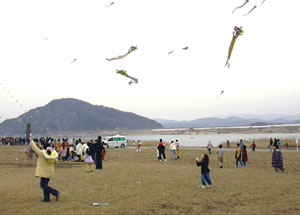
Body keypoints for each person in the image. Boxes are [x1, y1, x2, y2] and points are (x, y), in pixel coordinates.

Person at [29, 135, 60, 202]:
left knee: (43, 185)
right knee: (45, 185)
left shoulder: (42, 153)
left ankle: (55, 192)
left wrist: (31, 140)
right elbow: (56, 162)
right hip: (50, 172)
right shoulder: (52, 154)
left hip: (44, 172)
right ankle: (47, 198)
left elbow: (35, 148)